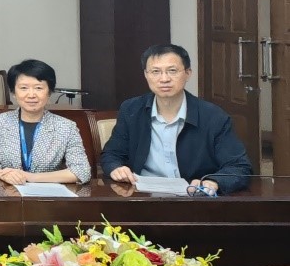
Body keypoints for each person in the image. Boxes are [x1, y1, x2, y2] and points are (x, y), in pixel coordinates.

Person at [103, 44, 252, 196]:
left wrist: (213, 182)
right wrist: (115, 168)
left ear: (188, 73)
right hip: (142, 196)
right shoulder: (131, 110)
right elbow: (111, 154)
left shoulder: (213, 116)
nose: (164, 79)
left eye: (172, 71)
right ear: (146, 75)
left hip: (194, 198)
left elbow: (239, 167)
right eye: (155, 72)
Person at [0, 59, 91, 185]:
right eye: (23, 88)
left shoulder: (66, 127)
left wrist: (30, 177)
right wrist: (3, 175)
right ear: (13, 93)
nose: (31, 95)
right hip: (8, 192)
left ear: (49, 92)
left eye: (38, 88)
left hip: (48, 194)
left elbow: (82, 171)